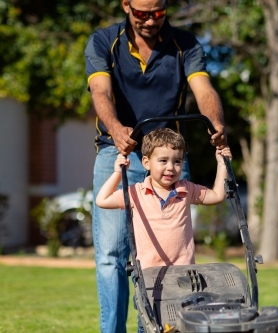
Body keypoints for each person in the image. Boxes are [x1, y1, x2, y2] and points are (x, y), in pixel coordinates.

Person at [84, 0, 226, 331]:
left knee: (170, 255)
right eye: (142, 13)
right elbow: (100, 91)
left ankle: (156, 327)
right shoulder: (105, 41)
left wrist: (215, 123)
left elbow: (203, 89)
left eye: (158, 13)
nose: (150, 20)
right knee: (112, 256)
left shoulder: (185, 44)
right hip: (116, 151)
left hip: (168, 159)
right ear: (126, 6)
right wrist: (117, 130)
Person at [95, 128, 231, 333]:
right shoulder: (135, 192)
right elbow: (101, 200)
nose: (171, 167)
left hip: (183, 275)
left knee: (181, 326)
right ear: (146, 163)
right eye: (163, 161)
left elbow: (217, 195)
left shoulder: (186, 190)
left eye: (177, 161)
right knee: (149, 325)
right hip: (149, 277)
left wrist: (222, 164)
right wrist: (117, 173)